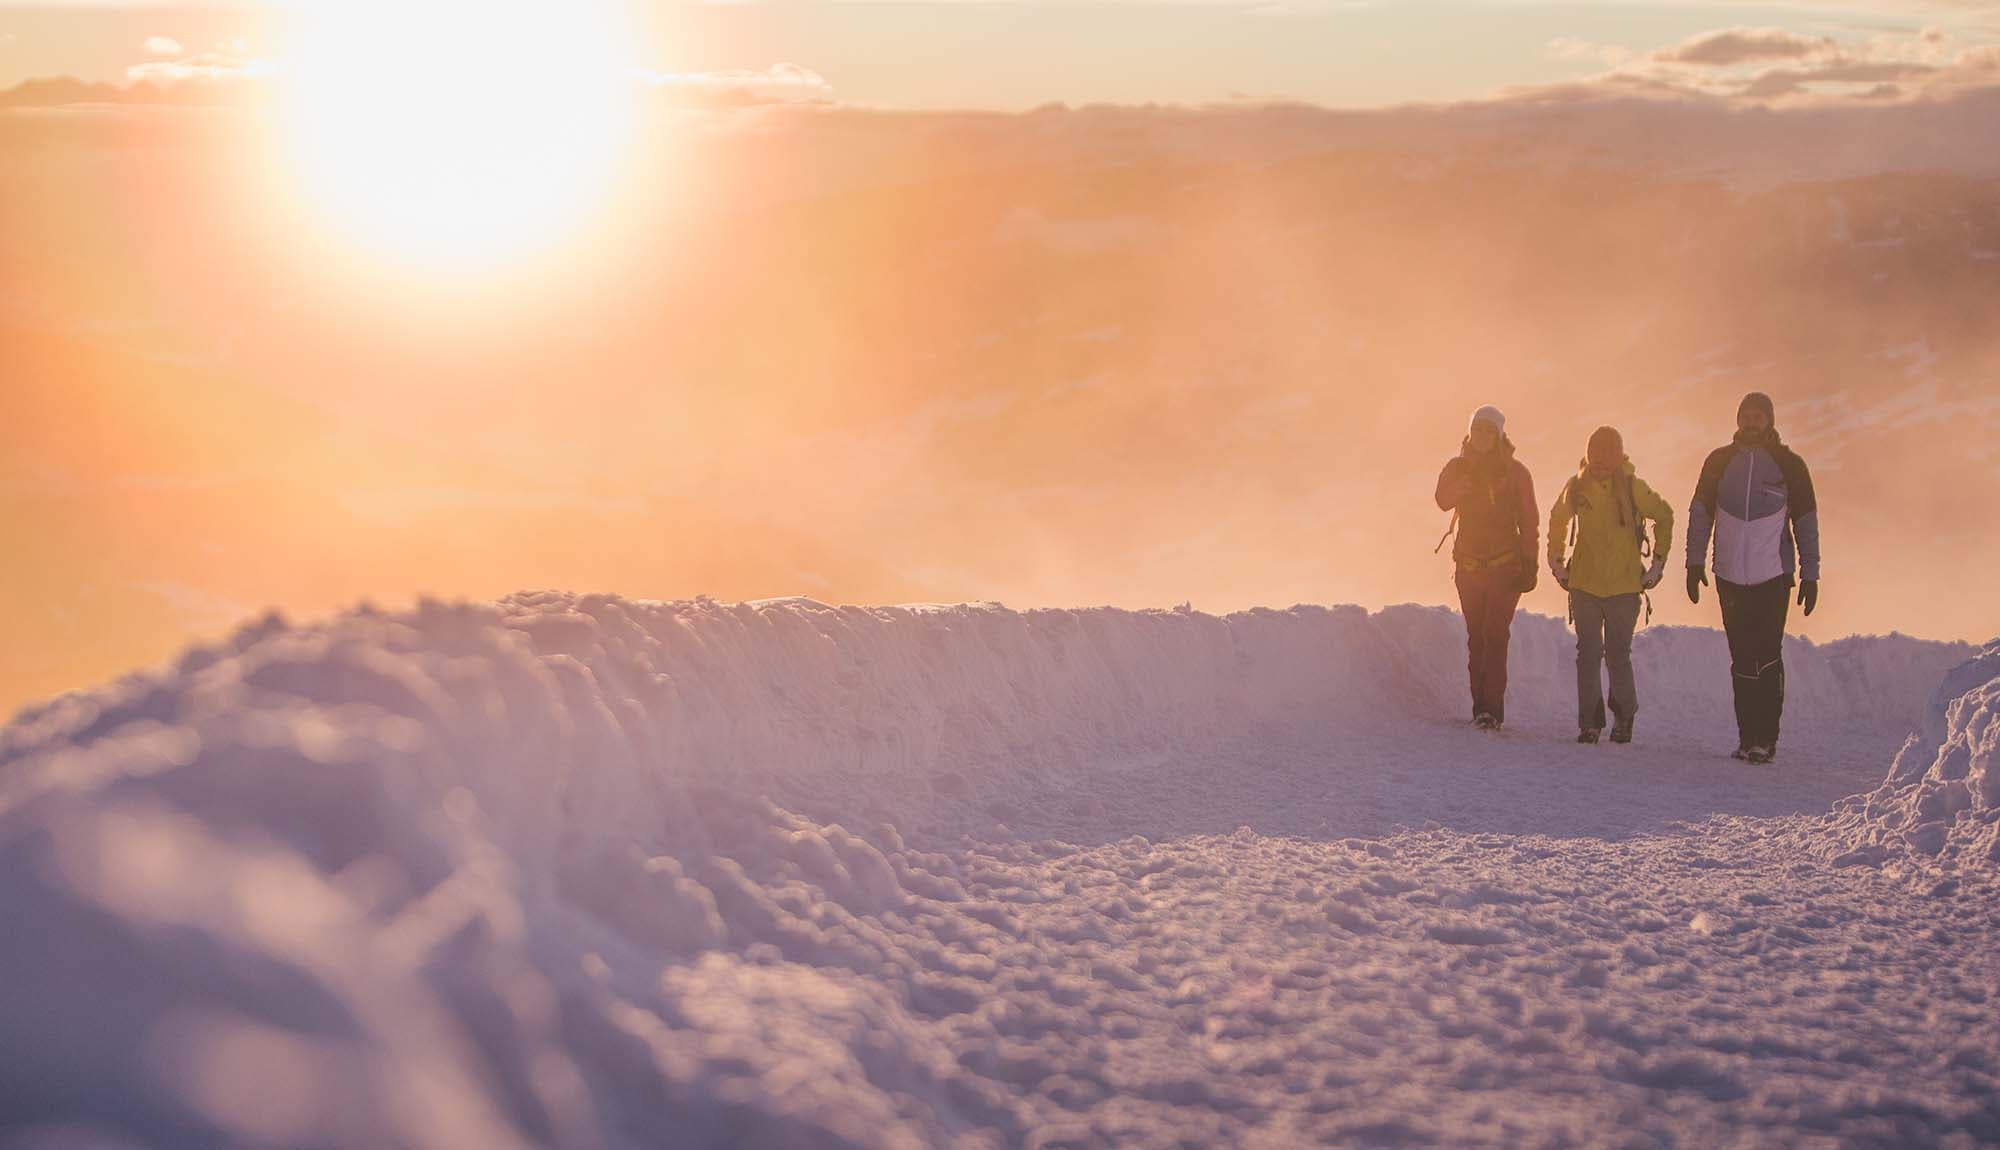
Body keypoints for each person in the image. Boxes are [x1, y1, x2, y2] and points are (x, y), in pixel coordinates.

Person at [1684, 392, 1820, 764]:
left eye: (1759, 416)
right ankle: (1747, 738)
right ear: (1738, 420)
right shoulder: (1719, 462)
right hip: (1729, 576)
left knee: (1767, 657)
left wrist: (1811, 574)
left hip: (1773, 576)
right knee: (1741, 659)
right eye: (1746, 415)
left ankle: (1766, 739)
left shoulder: (1789, 465)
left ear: (1770, 421)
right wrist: (1693, 564)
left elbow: (1806, 521)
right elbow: (1700, 513)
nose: (1752, 422)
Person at [1548, 427, 1674, 745]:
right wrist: (1557, 562)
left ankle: (1624, 716)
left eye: (1608, 451)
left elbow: (1664, 514)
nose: (1601, 458)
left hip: (1624, 587)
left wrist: (1658, 562)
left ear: (1620, 455)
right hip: (1585, 585)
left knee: (1617, 655)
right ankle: (1590, 724)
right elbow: (1557, 518)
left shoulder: (1633, 487)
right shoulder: (1577, 486)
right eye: (1596, 451)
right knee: (1588, 654)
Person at [1435, 405, 1539, 730]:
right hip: (1468, 568)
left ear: (1499, 435)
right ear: (1470, 432)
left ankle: (1490, 711)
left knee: (1495, 636)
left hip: (1505, 567)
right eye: (1478, 429)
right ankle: (1480, 708)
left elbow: (1529, 520)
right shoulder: (1457, 466)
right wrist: (1460, 487)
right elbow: (1441, 500)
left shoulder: (1515, 472)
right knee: (1476, 638)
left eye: (1488, 430)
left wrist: (1530, 563)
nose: (1482, 436)